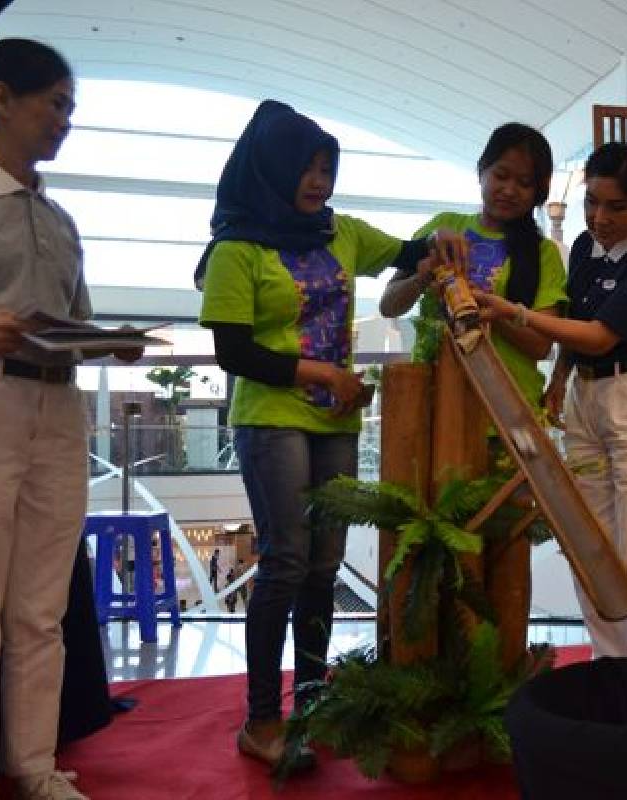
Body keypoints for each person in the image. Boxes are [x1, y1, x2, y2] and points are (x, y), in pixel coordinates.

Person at [197, 100, 457, 769]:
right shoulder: (238, 246)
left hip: (334, 421)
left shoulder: (340, 234)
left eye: (327, 169)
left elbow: (409, 251)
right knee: (285, 561)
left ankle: (313, 705)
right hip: (272, 418)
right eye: (307, 168)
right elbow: (233, 353)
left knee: (322, 566)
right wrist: (318, 370)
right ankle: (261, 719)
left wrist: (442, 248)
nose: (319, 182)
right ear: (274, 168)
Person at [0, 37, 142, 800]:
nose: (63, 120)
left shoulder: (61, 218)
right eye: (54, 103)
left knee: (41, 610)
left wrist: (114, 345)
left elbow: (77, 319)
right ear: (3, 98)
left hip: (57, 404)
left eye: (70, 107)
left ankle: (34, 768)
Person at [475, 143, 627, 657]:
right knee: (589, 544)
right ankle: (608, 663)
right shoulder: (584, 250)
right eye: (593, 202)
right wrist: (558, 380)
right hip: (586, 398)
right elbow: (575, 336)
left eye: (617, 207)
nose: (600, 217)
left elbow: (598, 334)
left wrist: (516, 314)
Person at [380, 122, 566, 412]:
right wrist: (422, 277)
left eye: (524, 183)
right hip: (434, 398)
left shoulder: (543, 253)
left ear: (538, 192)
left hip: (507, 407)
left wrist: (491, 310)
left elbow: (540, 346)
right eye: (501, 175)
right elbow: (388, 306)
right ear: (482, 172)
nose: (509, 190)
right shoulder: (443, 229)